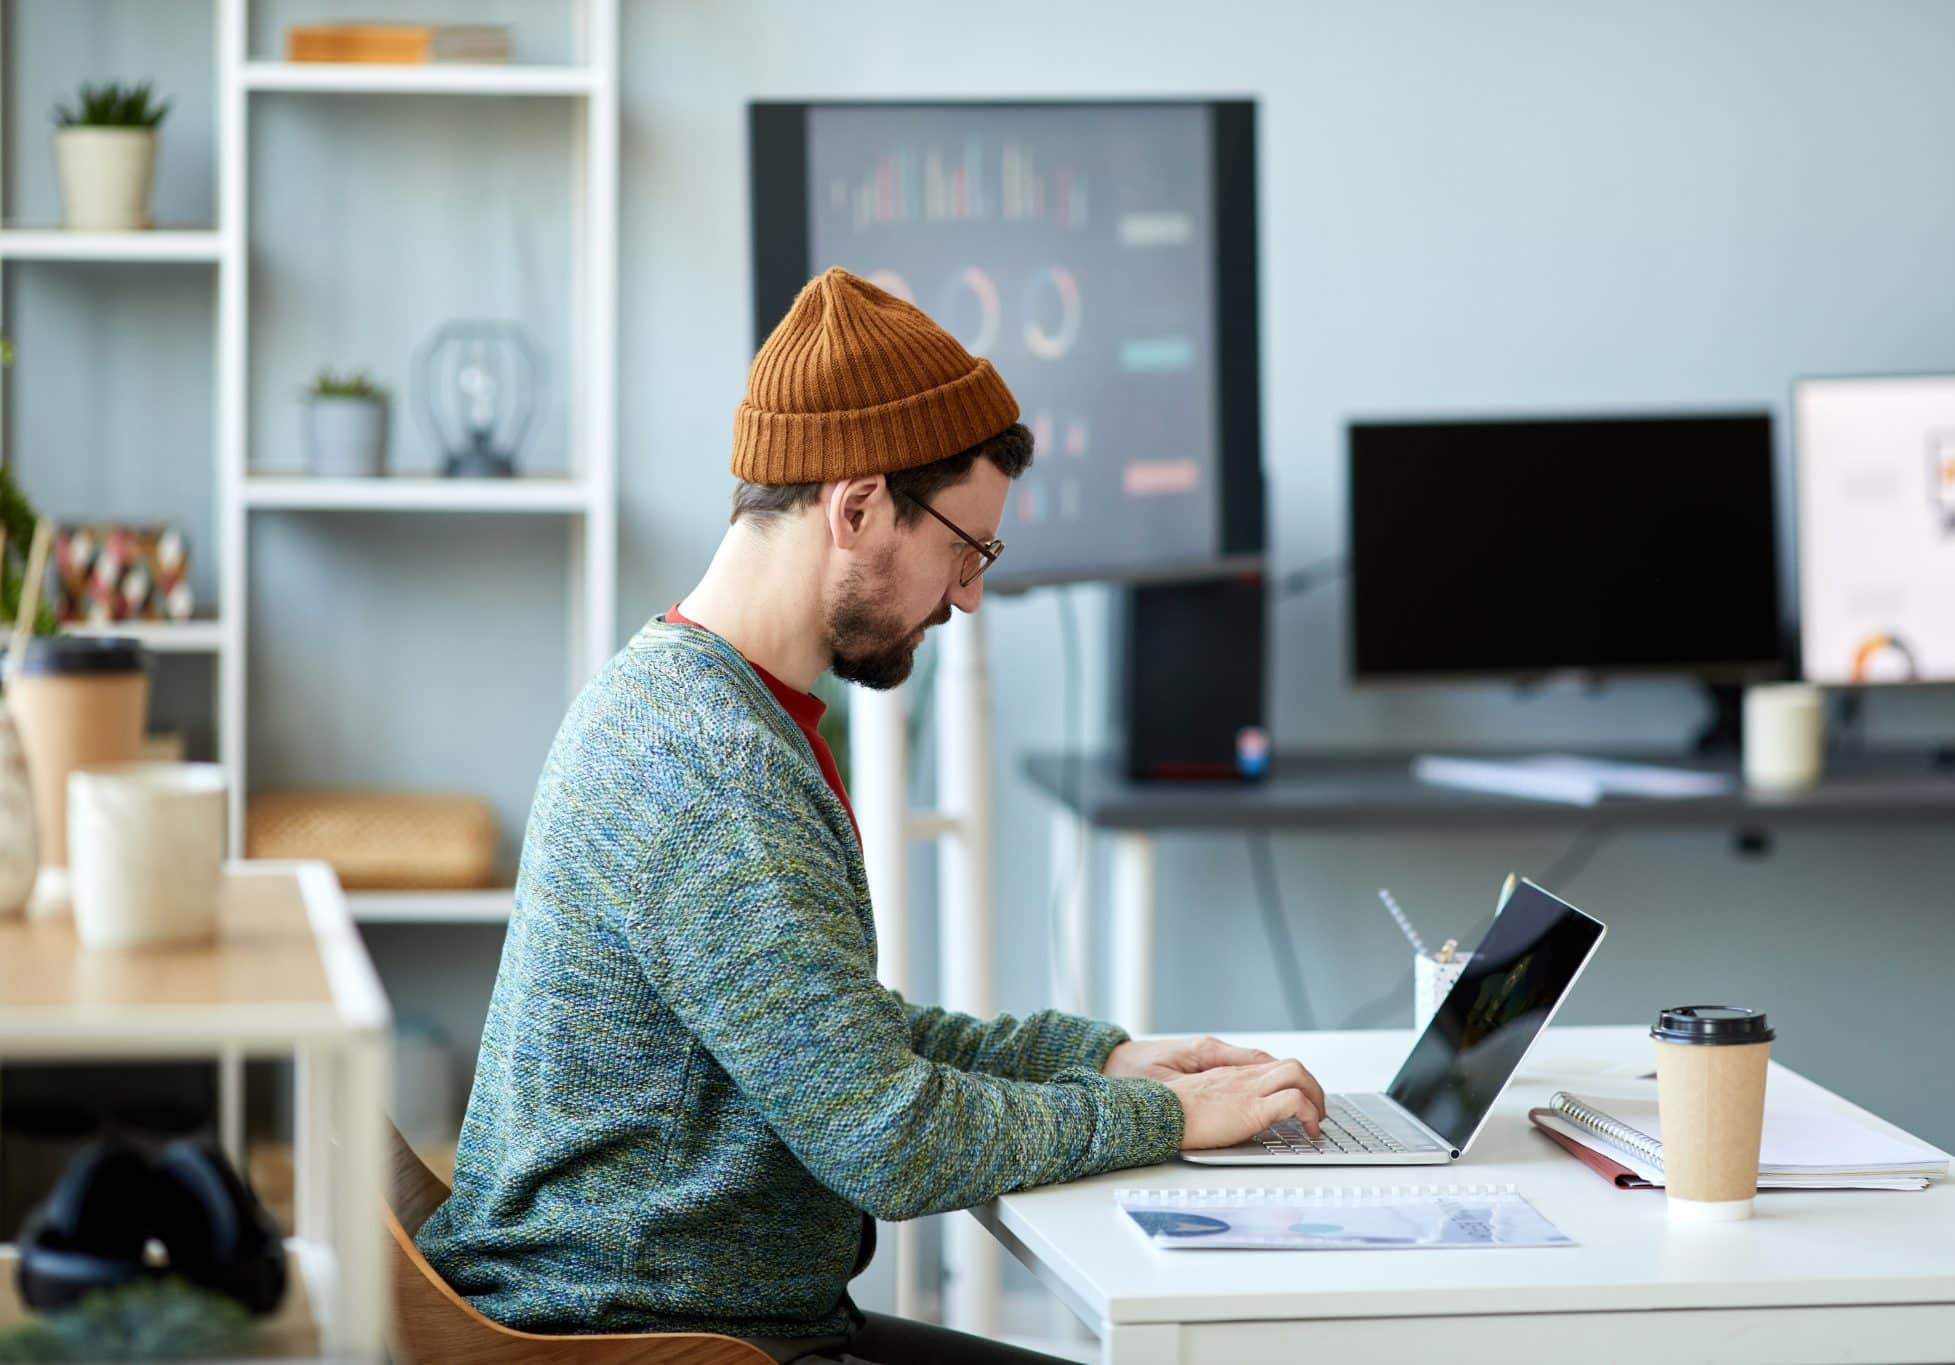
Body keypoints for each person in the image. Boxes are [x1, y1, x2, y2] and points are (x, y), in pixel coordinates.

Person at [416, 267, 1329, 1364]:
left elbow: (842, 1043)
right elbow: (887, 1141)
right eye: (964, 550)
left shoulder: (705, 704)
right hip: (646, 1343)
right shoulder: (708, 767)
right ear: (854, 506)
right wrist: (1175, 1119)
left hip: (694, 1317)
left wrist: (1101, 1061)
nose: (967, 595)